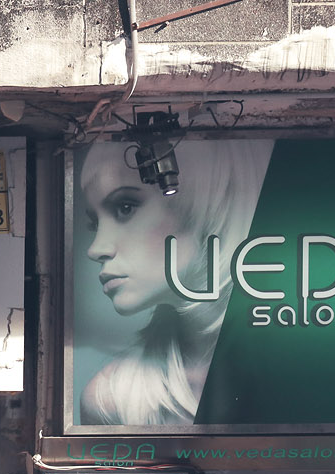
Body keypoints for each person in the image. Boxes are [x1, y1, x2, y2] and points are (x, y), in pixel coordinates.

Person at [76, 140, 273, 427]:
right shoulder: (112, 399)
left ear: (215, 201)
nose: (95, 249)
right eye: (95, 223)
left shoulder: (309, 377)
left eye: (125, 207)